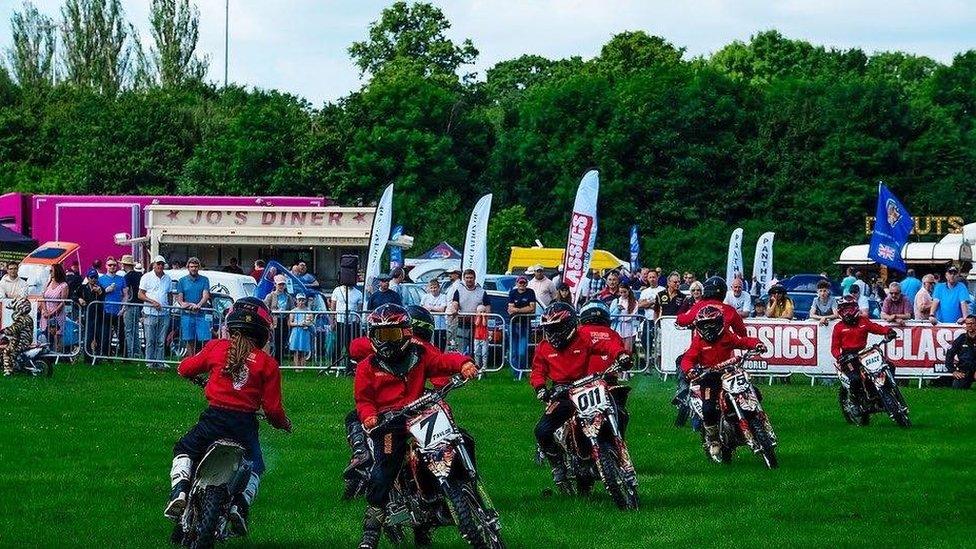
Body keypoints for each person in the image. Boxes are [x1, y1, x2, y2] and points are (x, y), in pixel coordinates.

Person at [354, 304, 479, 549]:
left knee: (461, 438)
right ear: (372, 336)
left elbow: (442, 362)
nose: (387, 342)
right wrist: (369, 416)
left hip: (421, 412)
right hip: (389, 421)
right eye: (381, 335)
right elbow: (364, 400)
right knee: (383, 470)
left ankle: (464, 486)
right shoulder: (366, 367)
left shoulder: (420, 354)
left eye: (393, 334)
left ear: (407, 332)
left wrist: (463, 363)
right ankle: (370, 533)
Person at [165, 297, 291, 534]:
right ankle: (240, 506)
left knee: (184, 448)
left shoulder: (217, 347)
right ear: (264, 330)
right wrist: (284, 424)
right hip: (244, 426)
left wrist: (187, 371)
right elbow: (273, 410)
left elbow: (185, 368)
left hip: (214, 419)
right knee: (256, 467)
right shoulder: (268, 364)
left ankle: (180, 489)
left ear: (230, 323)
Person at [531, 302, 632, 492]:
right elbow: (537, 371)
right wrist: (541, 388)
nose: (552, 333)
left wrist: (620, 355)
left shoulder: (583, 337)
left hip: (586, 386)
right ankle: (557, 466)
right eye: (549, 329)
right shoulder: (544, 347)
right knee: (541, 431)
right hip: (561, 392)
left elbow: (606, 344)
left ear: (569, 325)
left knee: (615, 411)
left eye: (556, 328)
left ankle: (609, 449)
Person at [680, 306, 764, 461]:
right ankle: (713, 440)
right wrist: (690, 370)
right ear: (699, 326)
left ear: (719, 323)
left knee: (754, 392)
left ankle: (757, 421)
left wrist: (757, 344)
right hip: (709, 378)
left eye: (712, 323)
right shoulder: (698, 342)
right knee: (709, 408)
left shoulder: (726, 335)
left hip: (730, 373)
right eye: (705, 325)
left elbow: (743, 341)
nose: (709, 328)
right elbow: (688, 358)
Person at [831, 295, 897, 395]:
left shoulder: (863, 321)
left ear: (856, 308)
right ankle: (855, 400)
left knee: (889, 366)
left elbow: (876, 328)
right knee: (855, 379)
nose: (848, 312)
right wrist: (839, 357)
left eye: (850, 309)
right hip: (847, 356)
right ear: (840, 311)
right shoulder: (838, 327)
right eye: (845, 309)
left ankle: (887, 390)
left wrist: (888, 331)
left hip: (863, 352)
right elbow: (834, 347)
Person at [676, 277, 747, 336]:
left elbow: (682, 321)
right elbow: (742, 332)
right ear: (723, 292)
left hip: (701, 346)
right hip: (723, 347)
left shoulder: (699, 306)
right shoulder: (729, 310)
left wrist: (680, 318)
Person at [139, 256, 172, 370]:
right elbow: (140, 294)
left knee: (161, 340)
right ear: (154, 265)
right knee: (150, 340)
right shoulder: (146, 277)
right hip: (150, 312)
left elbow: (169, 294)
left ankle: (160, 362)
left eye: (162, 264)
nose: (160, 266)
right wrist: (152, 302)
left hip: (164, 313)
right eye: (158, 264)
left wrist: (169, 308)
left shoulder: (167, 278)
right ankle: (149, 363)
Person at [176, 258, 212, 357]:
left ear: (198, 267)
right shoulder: (182, 281)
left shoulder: (204, 279)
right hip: (187, 315)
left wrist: (199, 305)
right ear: (188, 267)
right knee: (189, 339)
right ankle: (191, 363)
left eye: (196, 267)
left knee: (205, 340)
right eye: (191, 267)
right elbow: (180, 299)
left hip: (201, 314)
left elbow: (206, 295)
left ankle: (203, 362)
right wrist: (186, 304)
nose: (194, 269)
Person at [451, 269, 490, 356]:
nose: (469, 280)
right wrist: (454, 309)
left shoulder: (482, 292)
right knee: (461, 349)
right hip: (463, 323)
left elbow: (487, 306)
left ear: (474, 278)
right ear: (464, 279)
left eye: (471, 278)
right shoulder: (459, 290)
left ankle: (475, 366)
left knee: (475, 349)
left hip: (477, 325)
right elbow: (455, 302)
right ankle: (461, 367)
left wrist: (486, 318)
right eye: (467, 278)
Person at [330, 276, 364, 372]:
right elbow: (333, 307)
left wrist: (358, 323)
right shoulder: (337, 290)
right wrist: (332, 322)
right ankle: (334, 365)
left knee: (351, 345)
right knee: (338, 344)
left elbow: (359, 310)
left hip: (352, 323)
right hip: (340, 322)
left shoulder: (358, 293)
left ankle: (350, 366)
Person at [97, 257, 126, 357]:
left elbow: (126, 294)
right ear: (106, 266)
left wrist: (123, 308)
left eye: (114, 265)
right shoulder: (101, 279)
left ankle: (124, 356)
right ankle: (106, 355)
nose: (112, 267)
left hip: (118, 311)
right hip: (106, 311)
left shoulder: (121, 279)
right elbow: (97, 294)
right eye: (110, 265)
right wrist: (106, 290)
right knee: (106, 335)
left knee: (121, 335)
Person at [264, 275, 295, 364]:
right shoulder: (270, 296)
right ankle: (273, 362)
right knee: (275, 342)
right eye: (279, 284)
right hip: (274, 321)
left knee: (283, 342)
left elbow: (292, 308)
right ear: (275, 285)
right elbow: (265, 307)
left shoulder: (288, 297)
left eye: (282, 284)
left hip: (284, 321)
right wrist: (274, 311)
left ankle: (279, 362)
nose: (281, 286)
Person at [507, 276, 537, 370]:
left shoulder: (530, 292)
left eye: (524, 283)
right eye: (520, 283)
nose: (522, 285)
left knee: (522, 351)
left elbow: (532, 309)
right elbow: (510, 309)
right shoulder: (512, 293)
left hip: (525, 325)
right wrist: (524, 309)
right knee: (514, 350)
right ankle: (516, 372)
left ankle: (521, 371)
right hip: (513, 324)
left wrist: (517, 310)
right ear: (517, 284)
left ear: (526, 284)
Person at [39, 264, 69, 352]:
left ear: (57, 271)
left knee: (57, 336)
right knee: (45, 335)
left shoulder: (64, 285)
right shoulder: (48, 283)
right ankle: (46, 355)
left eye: (51, 271)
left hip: (57, 314)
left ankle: (57, 355)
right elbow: (43, 297)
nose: (50, 273)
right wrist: (45, 311)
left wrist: (52, 314)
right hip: (45, 313)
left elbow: (62, 302)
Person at [75, 268, 105, 357]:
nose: (93, 279)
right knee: (88, 337)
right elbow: (73, 295)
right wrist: (79, 299)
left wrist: (99, 292)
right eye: (91, 277)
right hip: (88, 316)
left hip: (99, 315)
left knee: (99, 336)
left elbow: (103, 297)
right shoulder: (83, 287)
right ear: (87, 278)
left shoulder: (100, 288)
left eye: (95, 277)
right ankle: (87, 357)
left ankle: (98, 357)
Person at [1, 298, 34, 376]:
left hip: (21, 341)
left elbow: (14, 328)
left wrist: (3, 331)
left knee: (7, 352)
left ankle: (9, 371)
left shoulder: (22, 319)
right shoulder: (27, 317)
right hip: (22, 340)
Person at [121, 255, 143, 358]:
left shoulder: (127, 277)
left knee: (129, 330)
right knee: (136, 331)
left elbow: (128, 293)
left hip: (130, 305)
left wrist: (124, 306)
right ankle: (137, 352)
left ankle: (130, 353)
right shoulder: (139, 275)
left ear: (124, 265)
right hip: (138, 305)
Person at [945, 315, 976, 389]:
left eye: (971, 323)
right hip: (964, 370)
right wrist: (953, 371)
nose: (969, 326)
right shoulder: (961, 338)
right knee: (957, 387)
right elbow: (949, 354)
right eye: (967, 324)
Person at [419, 279, 448, 349]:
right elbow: (422, 308)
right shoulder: (425, 297)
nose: (433, 289)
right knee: (429, 346)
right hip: (428, 326)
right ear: (429, 288)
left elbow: (442, 309)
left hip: (440, 326)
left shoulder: (443, 296)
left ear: (438, 288)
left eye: (435, 287)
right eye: (431, 288)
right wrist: (435, 309)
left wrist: (430, 308)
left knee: (440, 347)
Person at [610, 285, 638, 351]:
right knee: (617, 349)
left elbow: (633, 316)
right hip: (617, 328)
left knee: (627, 350)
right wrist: (618, 310)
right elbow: (610, 316)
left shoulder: (634, 302)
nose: (623, 294)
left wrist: (624, 318)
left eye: (624, 292)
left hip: (630, 329)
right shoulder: (616, 301)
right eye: (621, 292)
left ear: (628, 290)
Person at [288, 294, 313, 368]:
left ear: (305, 301)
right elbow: (290, 323)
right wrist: (299, 324)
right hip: (296, 331)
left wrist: (307, 323)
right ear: (296, 301)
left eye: (302, 300)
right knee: (296, 350)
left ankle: (302, 366)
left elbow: (311, 320)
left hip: (305, 331)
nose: (301, 302)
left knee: (303, 350)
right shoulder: (293, 311)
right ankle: (296, 367)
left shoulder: (308, 310)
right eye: (299, 300)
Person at [473, 304, 490, 369]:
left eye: (483, 311)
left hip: (484, 338)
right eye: (480, 311)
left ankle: (484, 367)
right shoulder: (476, 317)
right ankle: (477, 366)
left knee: (484, 353)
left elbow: (484, 324)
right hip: (477, 337)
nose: (482, 313)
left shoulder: (486, 317)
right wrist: (479, 317)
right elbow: (476, 323)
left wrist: (483, 317)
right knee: (476, 352)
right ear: (477, 312)